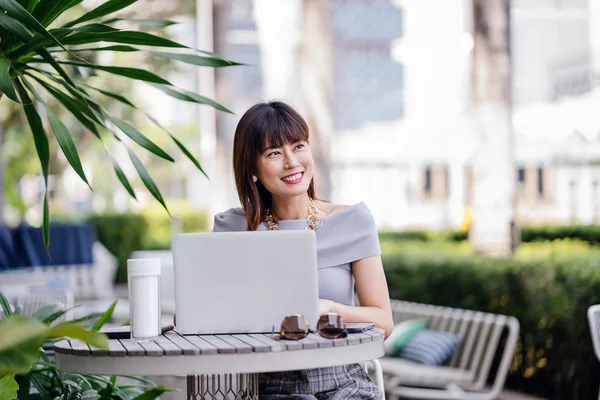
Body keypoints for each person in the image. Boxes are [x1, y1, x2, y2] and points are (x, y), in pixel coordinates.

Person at [213, 100, 394, 400]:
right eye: (273, 153)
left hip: (344, 383)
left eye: (298, 146)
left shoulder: (353, 221)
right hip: (266, 386)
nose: (292, 162)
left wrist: (331, 309)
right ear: (252, 169)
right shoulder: (232, 227)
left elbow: (384, 322)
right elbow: (206, 313)